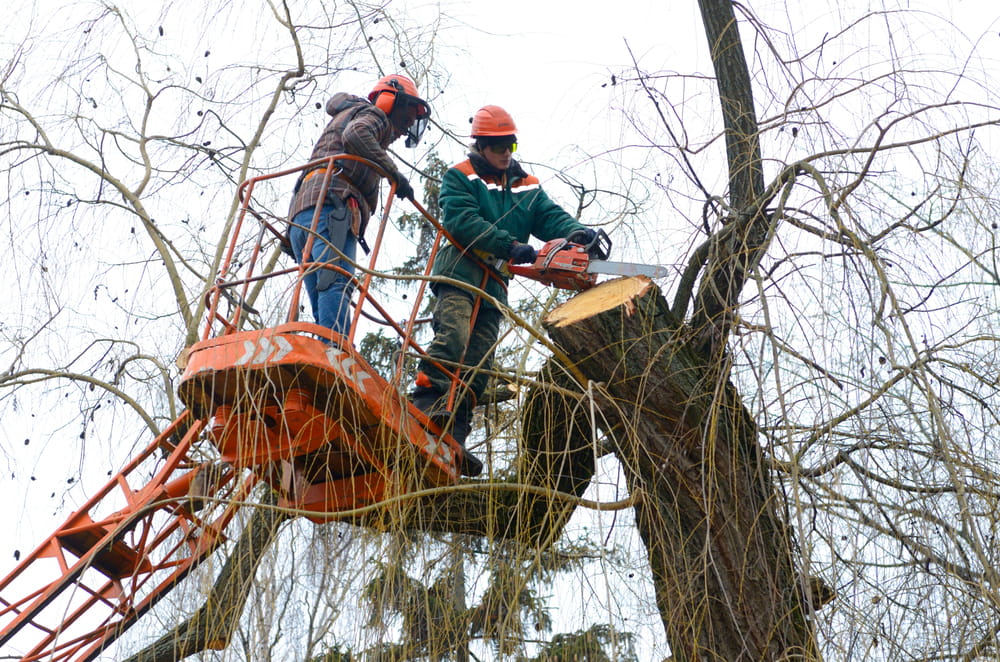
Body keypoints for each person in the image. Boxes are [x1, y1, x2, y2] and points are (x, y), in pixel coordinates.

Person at [411, 105, 596, 477]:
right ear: (480, 145)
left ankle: (455, 435)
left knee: (479, 364)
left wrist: (576, 233)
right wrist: (509, 245)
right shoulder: (460, 176)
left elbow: (549, 215)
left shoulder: (526, 185)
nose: (504, 152)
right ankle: (426, 407)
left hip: (495, 285)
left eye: (509, 144)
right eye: (497, 145)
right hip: (461, 271)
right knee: (454, 337)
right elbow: (462, 221)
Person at [287, 74, 431, 339]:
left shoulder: (348, 113)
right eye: (405, 121)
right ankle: (335, 353)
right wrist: (394, 174)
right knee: (336, 280)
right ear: (390, 103)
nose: (401, 132)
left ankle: (326, 346)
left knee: (324, 287)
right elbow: (357, 135)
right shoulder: (376, 116)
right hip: (334, 208)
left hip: (303, 212)